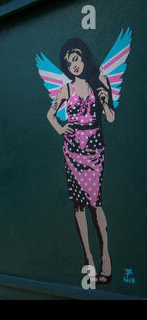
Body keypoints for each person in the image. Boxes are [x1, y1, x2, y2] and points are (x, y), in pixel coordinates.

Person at [46, 38, 114, 285]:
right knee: (78, 205)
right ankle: (88, 259)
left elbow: (111, 117)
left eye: (75, 58)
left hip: (94, 150)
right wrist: (61, 129)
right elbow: (50, 114)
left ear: (84, 56)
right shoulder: (66, 89)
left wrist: (106, 100)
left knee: (96, 202)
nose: (73, 65)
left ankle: (105, 257)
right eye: (68, 62)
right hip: (72, 150)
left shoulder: (101, 82)